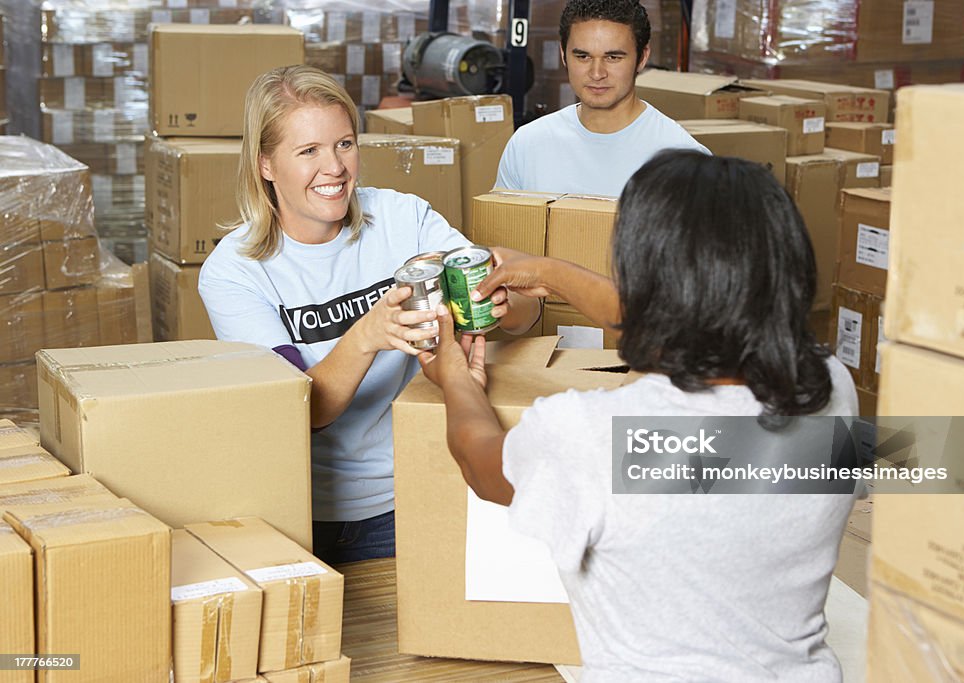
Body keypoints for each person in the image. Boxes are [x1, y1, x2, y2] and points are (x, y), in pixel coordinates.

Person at [420, 151, 858, 681]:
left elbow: (479, 459)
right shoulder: (830, 387)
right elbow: (695, 321)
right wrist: (550, 273)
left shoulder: (594, 435)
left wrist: (454, 377)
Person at [198, 65, 539, 565]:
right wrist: (366, 336)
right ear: (266, 164)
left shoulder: (403, 219)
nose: (334, 167)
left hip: (420, 492)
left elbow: (526, 313)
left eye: (344, 143)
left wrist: (504, 305)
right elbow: (300, 412)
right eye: (308, 151)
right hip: (305, 517)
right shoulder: (235, 272)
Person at [494, 0, 710, 196]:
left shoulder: (685, 159)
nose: (597, 73)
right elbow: (503, 232)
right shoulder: (527, 145)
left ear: (643, 57)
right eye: (583, 56)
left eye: (613, 57)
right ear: (563, 55)